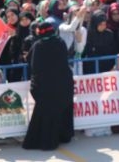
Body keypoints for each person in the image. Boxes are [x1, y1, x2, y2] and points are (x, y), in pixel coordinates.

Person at [22, 20, 74, 151]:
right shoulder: (61, 42)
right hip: (62, 84)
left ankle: (44, 140)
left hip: (44, 86)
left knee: (44, 113)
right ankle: (63, 136)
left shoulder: (38, 45)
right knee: (60, 110)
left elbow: (33, 65)